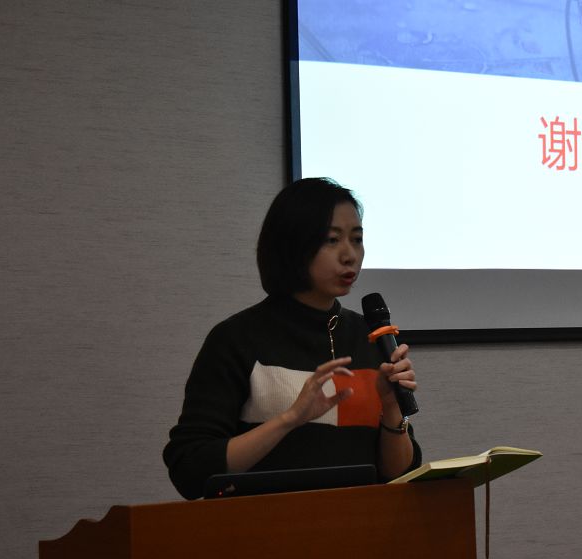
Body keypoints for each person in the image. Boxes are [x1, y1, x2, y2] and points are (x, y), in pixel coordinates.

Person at [163, 177, 422, 500]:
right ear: (291, 245)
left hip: (362, 524)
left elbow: (399, 474)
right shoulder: (236, 339)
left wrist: (391, 408)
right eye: (332, 240)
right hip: (265, 526)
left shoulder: (368, 337)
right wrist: (290, 419)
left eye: (357, 239)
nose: (350, 255)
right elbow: (190, 469)